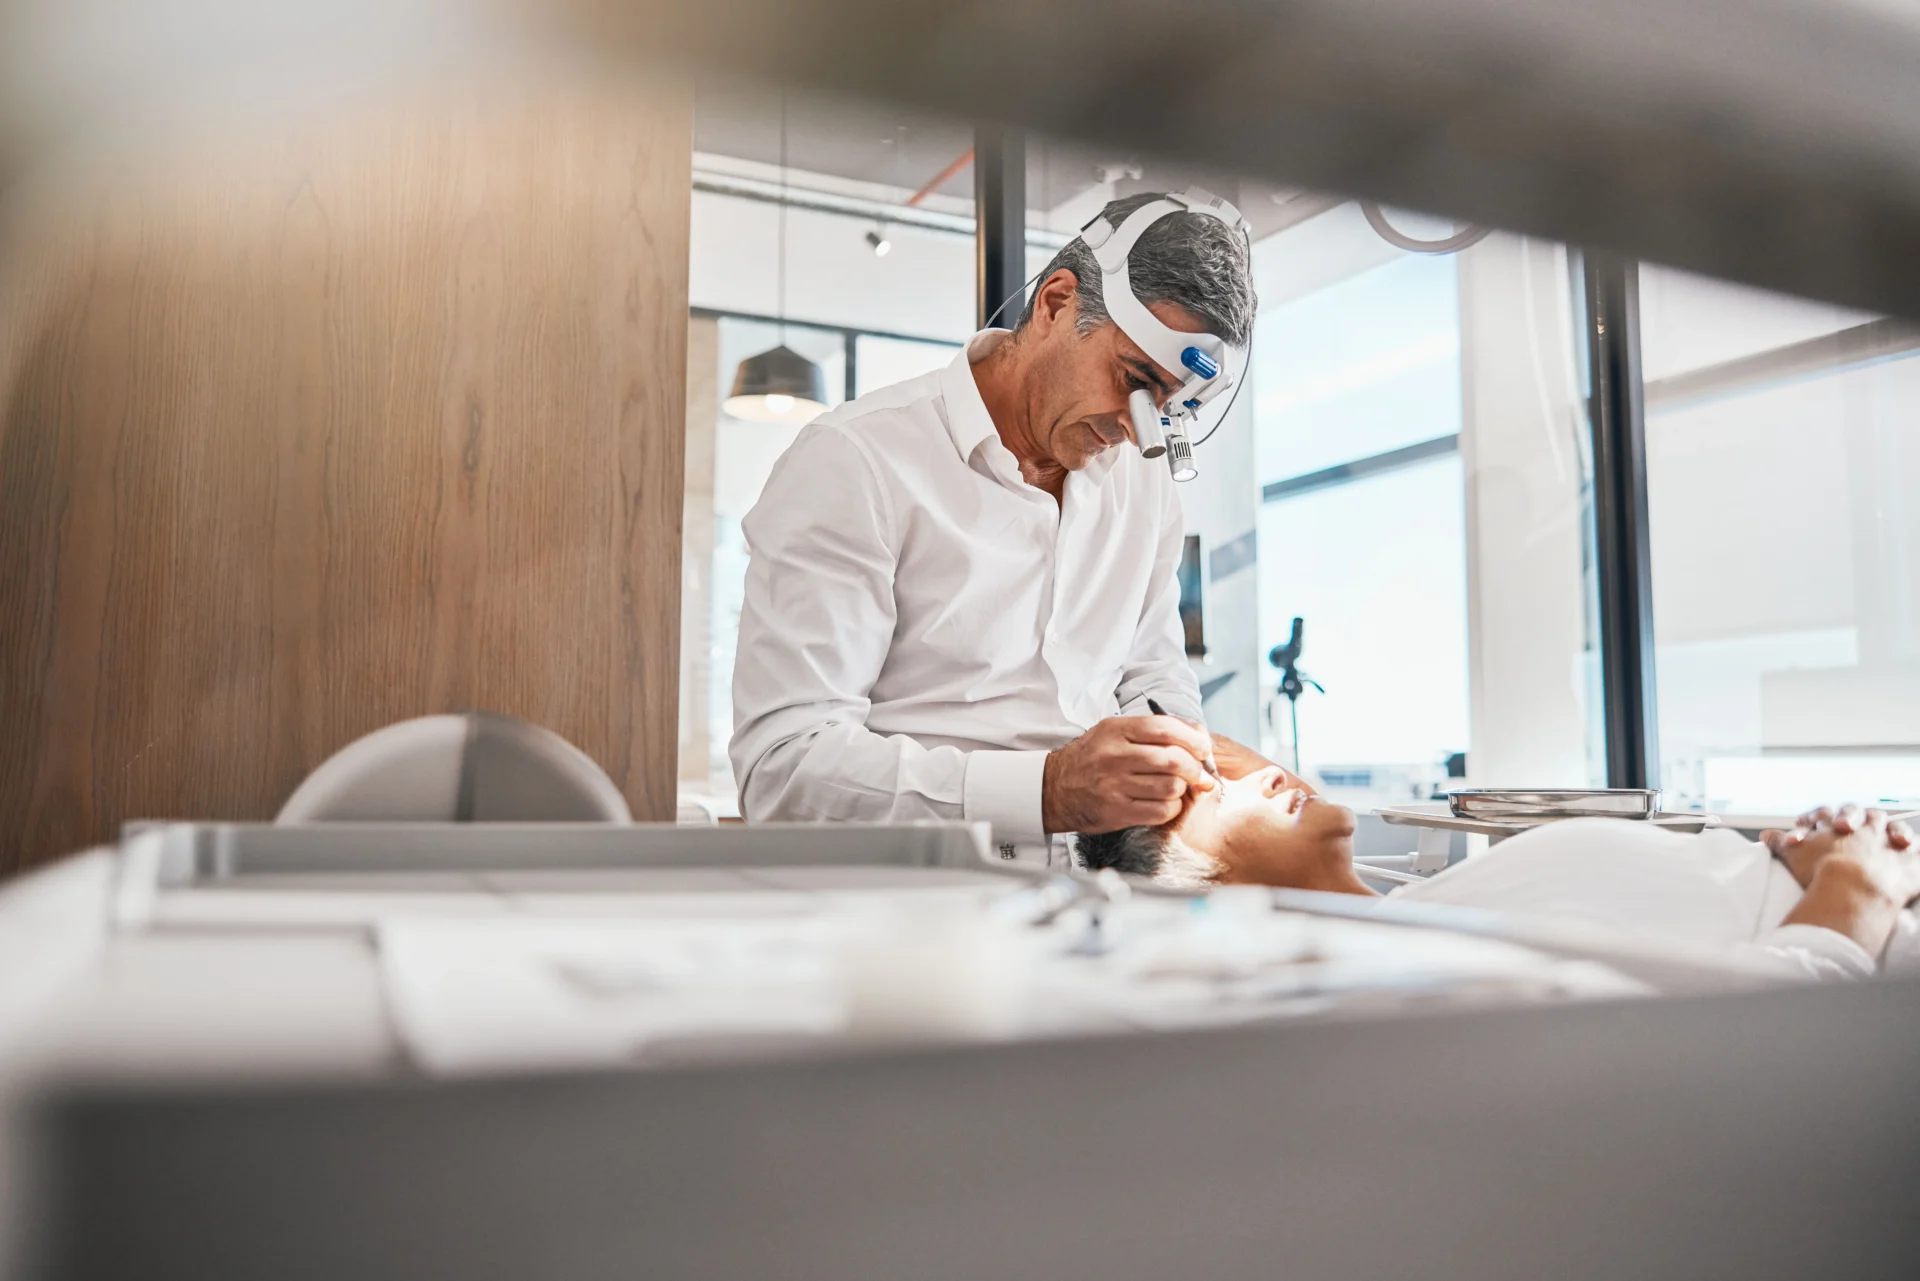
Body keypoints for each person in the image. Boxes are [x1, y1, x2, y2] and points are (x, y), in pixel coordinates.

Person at [730, 193, 1300, 865]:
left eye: (1168, 410)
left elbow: (1153, 675)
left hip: (1096, 912)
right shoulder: (856, 461)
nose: (1134, 430)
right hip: (899, 909)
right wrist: (1047, 789)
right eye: (1135, 380)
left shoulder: (1141, 488)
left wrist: (1184, 761)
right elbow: (783, 768)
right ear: (1056, 303)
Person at [1079, 777, 1920, 980]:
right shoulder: (1415, 966)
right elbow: (1750, 1035)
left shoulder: (1423, 907)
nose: (1253, 774)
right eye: (1200, 793)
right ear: (1192, 883)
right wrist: (1856, 885)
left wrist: (1802, 848)